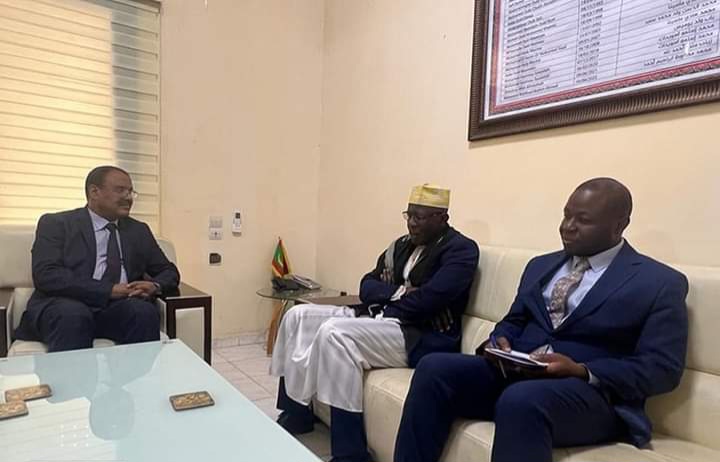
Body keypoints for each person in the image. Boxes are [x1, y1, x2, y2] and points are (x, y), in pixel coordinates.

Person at [393, 178, 689, 462]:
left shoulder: (658, 282)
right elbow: (513, 320)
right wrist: (499, 341)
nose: (567, 227)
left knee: (522, 400)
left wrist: (581, 370)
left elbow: (662, 367)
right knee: (434, 367)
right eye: (566, 215)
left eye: (582, 220)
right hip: (517, 374)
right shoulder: (541, 265)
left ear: (619, 225)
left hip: (591, 395)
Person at [270, 184, 479, 462]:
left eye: (419, 217)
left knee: (336, 334)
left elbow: (430, 300)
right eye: (409, 215)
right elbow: (367, 284)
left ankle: (350, 452)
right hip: (381, 317)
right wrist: (400, 292)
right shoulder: (401, 246)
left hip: (421, 335)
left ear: (442, 218)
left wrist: (392, 300)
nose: (412, 224)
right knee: (298, 316)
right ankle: (296, 413)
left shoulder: (461, 250)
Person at [14, 166, 180, 352]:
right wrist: (108, 290)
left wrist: (154, 286)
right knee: (73, 316)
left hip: (117, 309)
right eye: (120, 190)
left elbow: (168, 271)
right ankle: (73, 373)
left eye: (131, 191)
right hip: (65, 305)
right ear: (94, 192)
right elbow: (46, 275)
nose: (128, 197)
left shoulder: (138, 230)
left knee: (143, 312)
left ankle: (137, 372)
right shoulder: (56, 224)